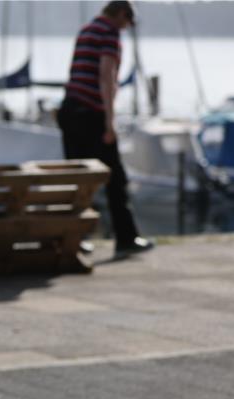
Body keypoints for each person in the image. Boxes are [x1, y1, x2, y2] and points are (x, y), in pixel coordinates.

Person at [57, 0, 154, 258]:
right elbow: (107, 76)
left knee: (75, 177)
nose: (126, 28)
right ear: (122, 14)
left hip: (69, 108)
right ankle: (126, 237)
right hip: (91, 113)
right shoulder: (109, 34)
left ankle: (73, 238)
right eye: (128, 22)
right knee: (115, 178)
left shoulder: (87, 29)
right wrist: (110, 122)